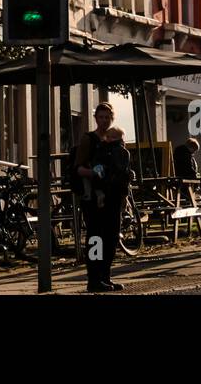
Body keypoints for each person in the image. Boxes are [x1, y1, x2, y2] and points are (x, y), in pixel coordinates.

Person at [75, 101, 132, 292]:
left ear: (112, 119)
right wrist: (94, 174)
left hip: (113, 195)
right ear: (95, 118)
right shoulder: (89, 139)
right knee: (95, 238)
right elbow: (78, 168)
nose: (104, 120)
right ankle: (93, 278)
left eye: (107, 117)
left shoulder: (116, 139)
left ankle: (105, 276)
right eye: (100, 117)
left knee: (111, 237)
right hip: (93, 197)